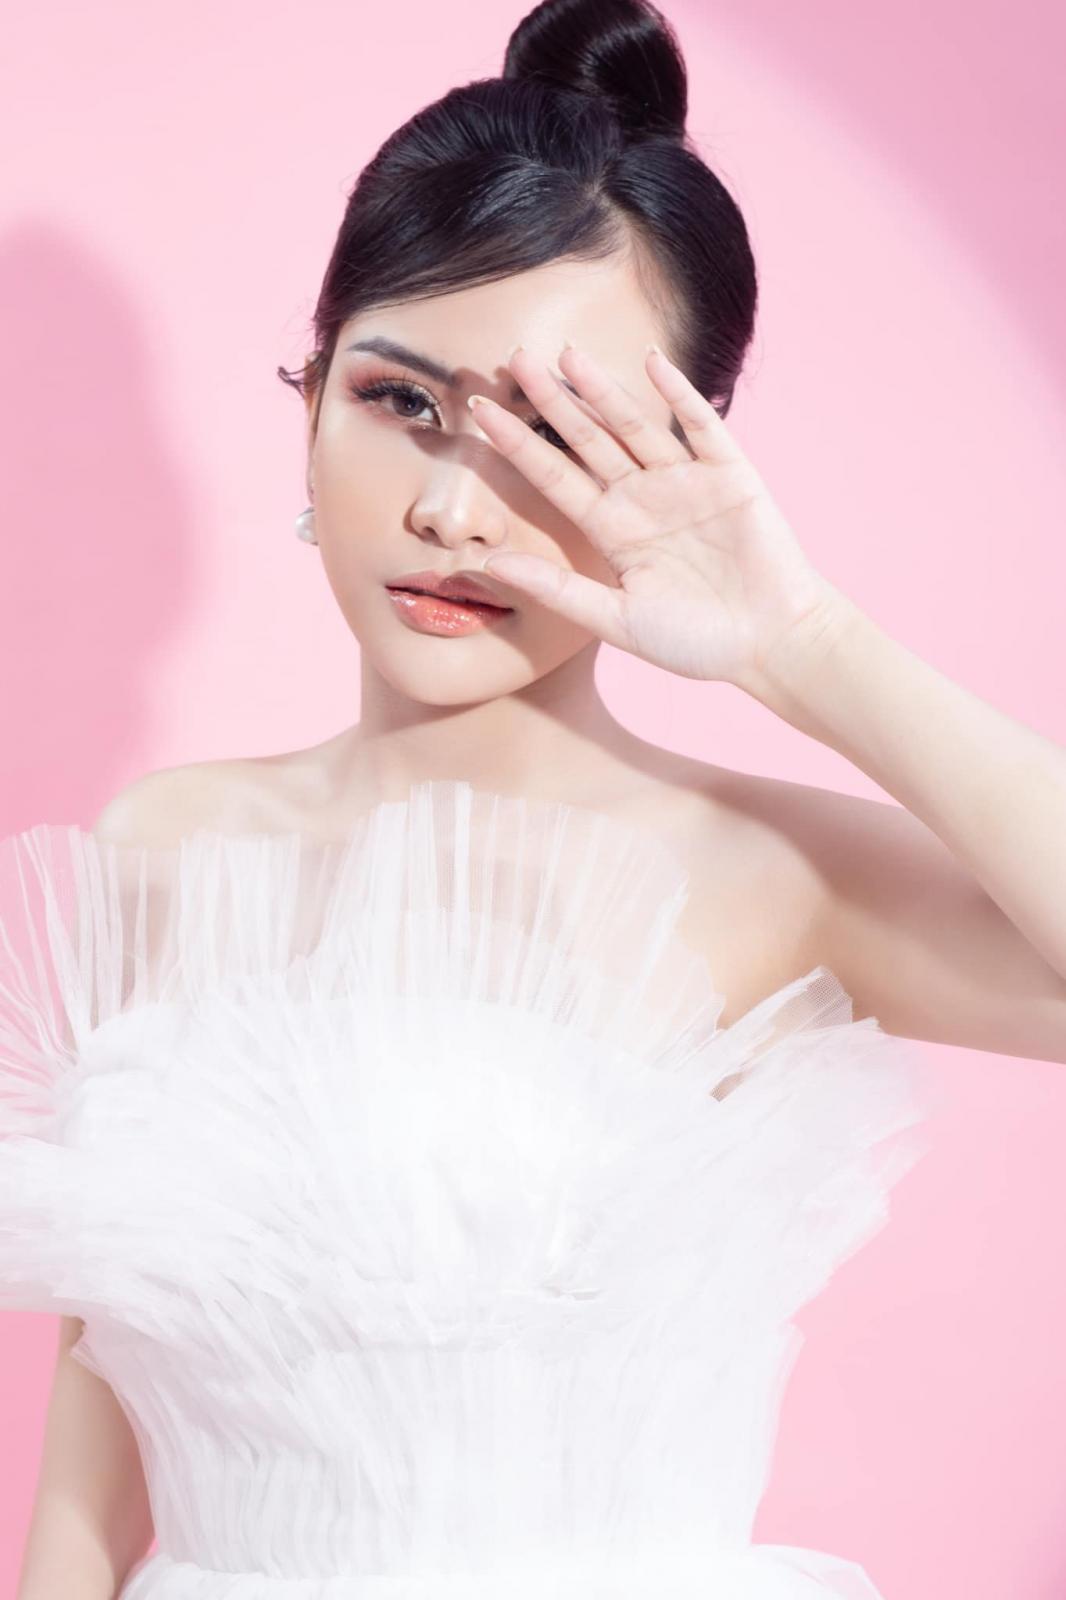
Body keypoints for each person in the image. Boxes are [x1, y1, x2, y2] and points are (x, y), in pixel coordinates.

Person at [3, 1, 1064, 1597]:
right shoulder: (171, 846)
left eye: (554, 434)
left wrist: (799, 642)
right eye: (400, 402)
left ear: (684, 457)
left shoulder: (763, 874)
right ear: (311, 396)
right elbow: (96, 1472)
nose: (450, 507)